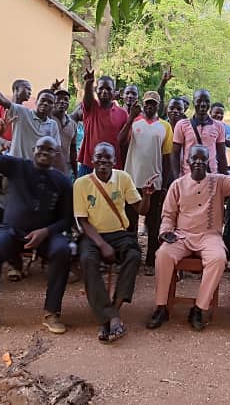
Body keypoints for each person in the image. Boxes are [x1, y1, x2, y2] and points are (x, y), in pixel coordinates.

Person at [0, 121, 73, 333]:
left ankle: (52, 312)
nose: (44, 152)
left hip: (46, 236)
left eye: (49, 149)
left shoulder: (62, 181)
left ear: (56, 154)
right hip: (12, 232)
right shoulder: (17, 166)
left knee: (62, 251)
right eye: (41, 148)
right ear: (34, 150)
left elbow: (66, 220)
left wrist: (45, 232)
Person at [147, 145, 230, 331]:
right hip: (182, 235)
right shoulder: (178, 185)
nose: (198, 162)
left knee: (218, 258)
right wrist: (165, 231)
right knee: (163, 255)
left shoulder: (218, 181)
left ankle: (198, 309)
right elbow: (168, 214)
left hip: (209, 236)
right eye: (194, 158)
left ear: (208, 162)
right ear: (187, 161)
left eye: (202, 159)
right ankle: (161, 307)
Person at [73, 142, 156, 343]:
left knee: (134, 256)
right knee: (87, 261)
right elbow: (82, 221)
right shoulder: (81, 183)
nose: (103, 162)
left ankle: (112, 311)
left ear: (114, 161)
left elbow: (142, 210)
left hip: (119, 233)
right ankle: (111, 318)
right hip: (93, 236)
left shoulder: (123, 178)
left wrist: (146, 196)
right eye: (99, 158)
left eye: (107, 158)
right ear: (92, 160)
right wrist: (101, 245)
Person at [118, 90, 174, 276]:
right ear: (143, 103)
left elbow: (167, 158)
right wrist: (130, 118)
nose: (150, 106)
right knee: (130, 221)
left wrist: (165, 183)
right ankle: (131, 257)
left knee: (153, 221)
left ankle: (151, 259)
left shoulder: (165, 126)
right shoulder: (134, 121)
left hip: (153, 182)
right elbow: (120, 142)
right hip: (132, 179)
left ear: (158, 106)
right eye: (147, 103)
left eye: (153, 103)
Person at [0, 70, 60, 162]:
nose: (45, 104)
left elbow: (56, 151)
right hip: (14, 167)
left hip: (35, 171)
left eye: (50, 102)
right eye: (43, 100)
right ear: (36, 101)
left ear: (53, 106)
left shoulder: (53, 125)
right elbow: (1, 99)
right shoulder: (22, 112)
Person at [74, 70, 129, 176]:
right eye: (101, 88)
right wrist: (89, 82)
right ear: (96, 90)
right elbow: (87, 98)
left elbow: (124, 143)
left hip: (112, 167)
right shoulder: (91, 107)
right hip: (89, 164)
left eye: (108, 89)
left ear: (114, 92)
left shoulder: (122, 113)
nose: (104, 91)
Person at [172, 89, 227, 176]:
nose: (203, 104)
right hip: (188, 176)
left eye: (206, 101)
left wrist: (224, 178)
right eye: (199, 101)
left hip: (211, 176)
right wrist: (177, 178)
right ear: (193, 103)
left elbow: (222, 155)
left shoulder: (219, 126)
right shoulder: (182, 125)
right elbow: (175, 154)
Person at [0, 78, 31, 145]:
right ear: (17, 89)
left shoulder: (26, 113)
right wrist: (5, 142)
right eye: (28, 88)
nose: (30, 92)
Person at [51, 87, 79, 178]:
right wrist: (51, 90)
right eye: (58, 99)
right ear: (53, 101)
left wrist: (75, 172)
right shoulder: (47, 119)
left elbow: (73, 150)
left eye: (65, 99)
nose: (62, 101)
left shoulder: (73, 124)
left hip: (65, 168)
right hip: (48, 165)